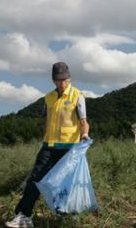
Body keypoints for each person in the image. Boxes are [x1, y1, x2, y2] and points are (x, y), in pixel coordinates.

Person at [5, 62, 90, 228]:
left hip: (68, 148)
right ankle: (24, 216)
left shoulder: (77, 96)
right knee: (35, 180)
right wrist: (43, 139)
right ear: (53, 80)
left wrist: (85, 134)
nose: (62, 83)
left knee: (65, 183)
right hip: (48, 146)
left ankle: (67, 214)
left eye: (64, 79)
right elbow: (47, 121)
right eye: (58, 80)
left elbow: (84, 122)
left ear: (69, 77)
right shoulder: (48, 98)